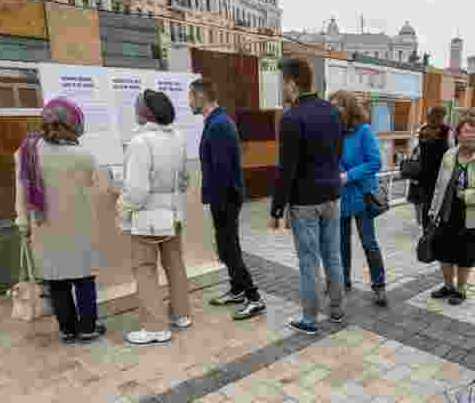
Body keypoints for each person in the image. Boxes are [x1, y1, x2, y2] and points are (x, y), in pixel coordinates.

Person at [15, 98, 105, 344]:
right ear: (72, 123)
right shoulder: (84, 155)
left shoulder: (27, 152)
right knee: (84, 279)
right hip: (79, 226)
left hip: (45, 228)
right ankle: (87, 328)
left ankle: (67, 330)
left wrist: (22, 223)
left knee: (57, 281)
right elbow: (97, 187)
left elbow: (21, 192)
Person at [270, 58, 346, 335]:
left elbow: (286, 168)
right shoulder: (332, 112)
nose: (282, 89)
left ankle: (310, 319)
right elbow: (338, 154)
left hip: (305, 200)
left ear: (291, 84)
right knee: (333, 255)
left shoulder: (291, 118)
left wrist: (277, 208)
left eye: (282, 83)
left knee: (308, 260)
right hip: (332, 194)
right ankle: (337, 310)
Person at [189, 78, 266, 321]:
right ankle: (237, 290)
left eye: (191, 97)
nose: (189, 102)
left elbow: (222, 169)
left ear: (201, 97)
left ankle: (254, 297)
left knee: (228, 250)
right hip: (223, 197)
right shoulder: (216, 121)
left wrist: (219, 203)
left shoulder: (219, 125)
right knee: (227, 247)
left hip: (225, 198)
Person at [119, 90, 191, 345]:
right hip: (174, 214)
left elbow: (136, 192)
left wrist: (122, 210)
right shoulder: (178, 138)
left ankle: (155, 328)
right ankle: (181, 314)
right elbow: (184, 179)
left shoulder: (140, 142)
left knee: (145, 269)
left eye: (137, 107)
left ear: (145, 113)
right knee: (175, 264)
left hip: (146, 218)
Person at [426, 110, 475, 305]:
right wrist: (433, 210)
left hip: (472, 215)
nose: (469, 135)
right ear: (458, 134)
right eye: (465, 132)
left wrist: (467, 195)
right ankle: (448, 286)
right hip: (447, 211)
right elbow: (439, 185)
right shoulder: (449, 155)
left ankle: (460, 289)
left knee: (465, 254)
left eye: (473, 131)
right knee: (443, 251)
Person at [329, 90, 388, 307]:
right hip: (341, 196)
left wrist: (348, 175)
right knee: (340, 243)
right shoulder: (333, 132)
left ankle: (379, 285)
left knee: (368, 242)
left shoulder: (363, 131)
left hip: (362, 195)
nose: (335, 109)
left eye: (339, 105)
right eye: (332, 105)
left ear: (349, 107)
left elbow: (375, 163)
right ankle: (343, 281)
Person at [415, 106, 451, 228]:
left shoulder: (423, 130)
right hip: (440, 172)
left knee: (427, 202)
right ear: (441, 117)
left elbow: (421, 150)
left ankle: (426, 229)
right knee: (439, 201)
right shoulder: (445, 130)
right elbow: (450, 150)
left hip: (425, 172)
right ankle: (436, 227)